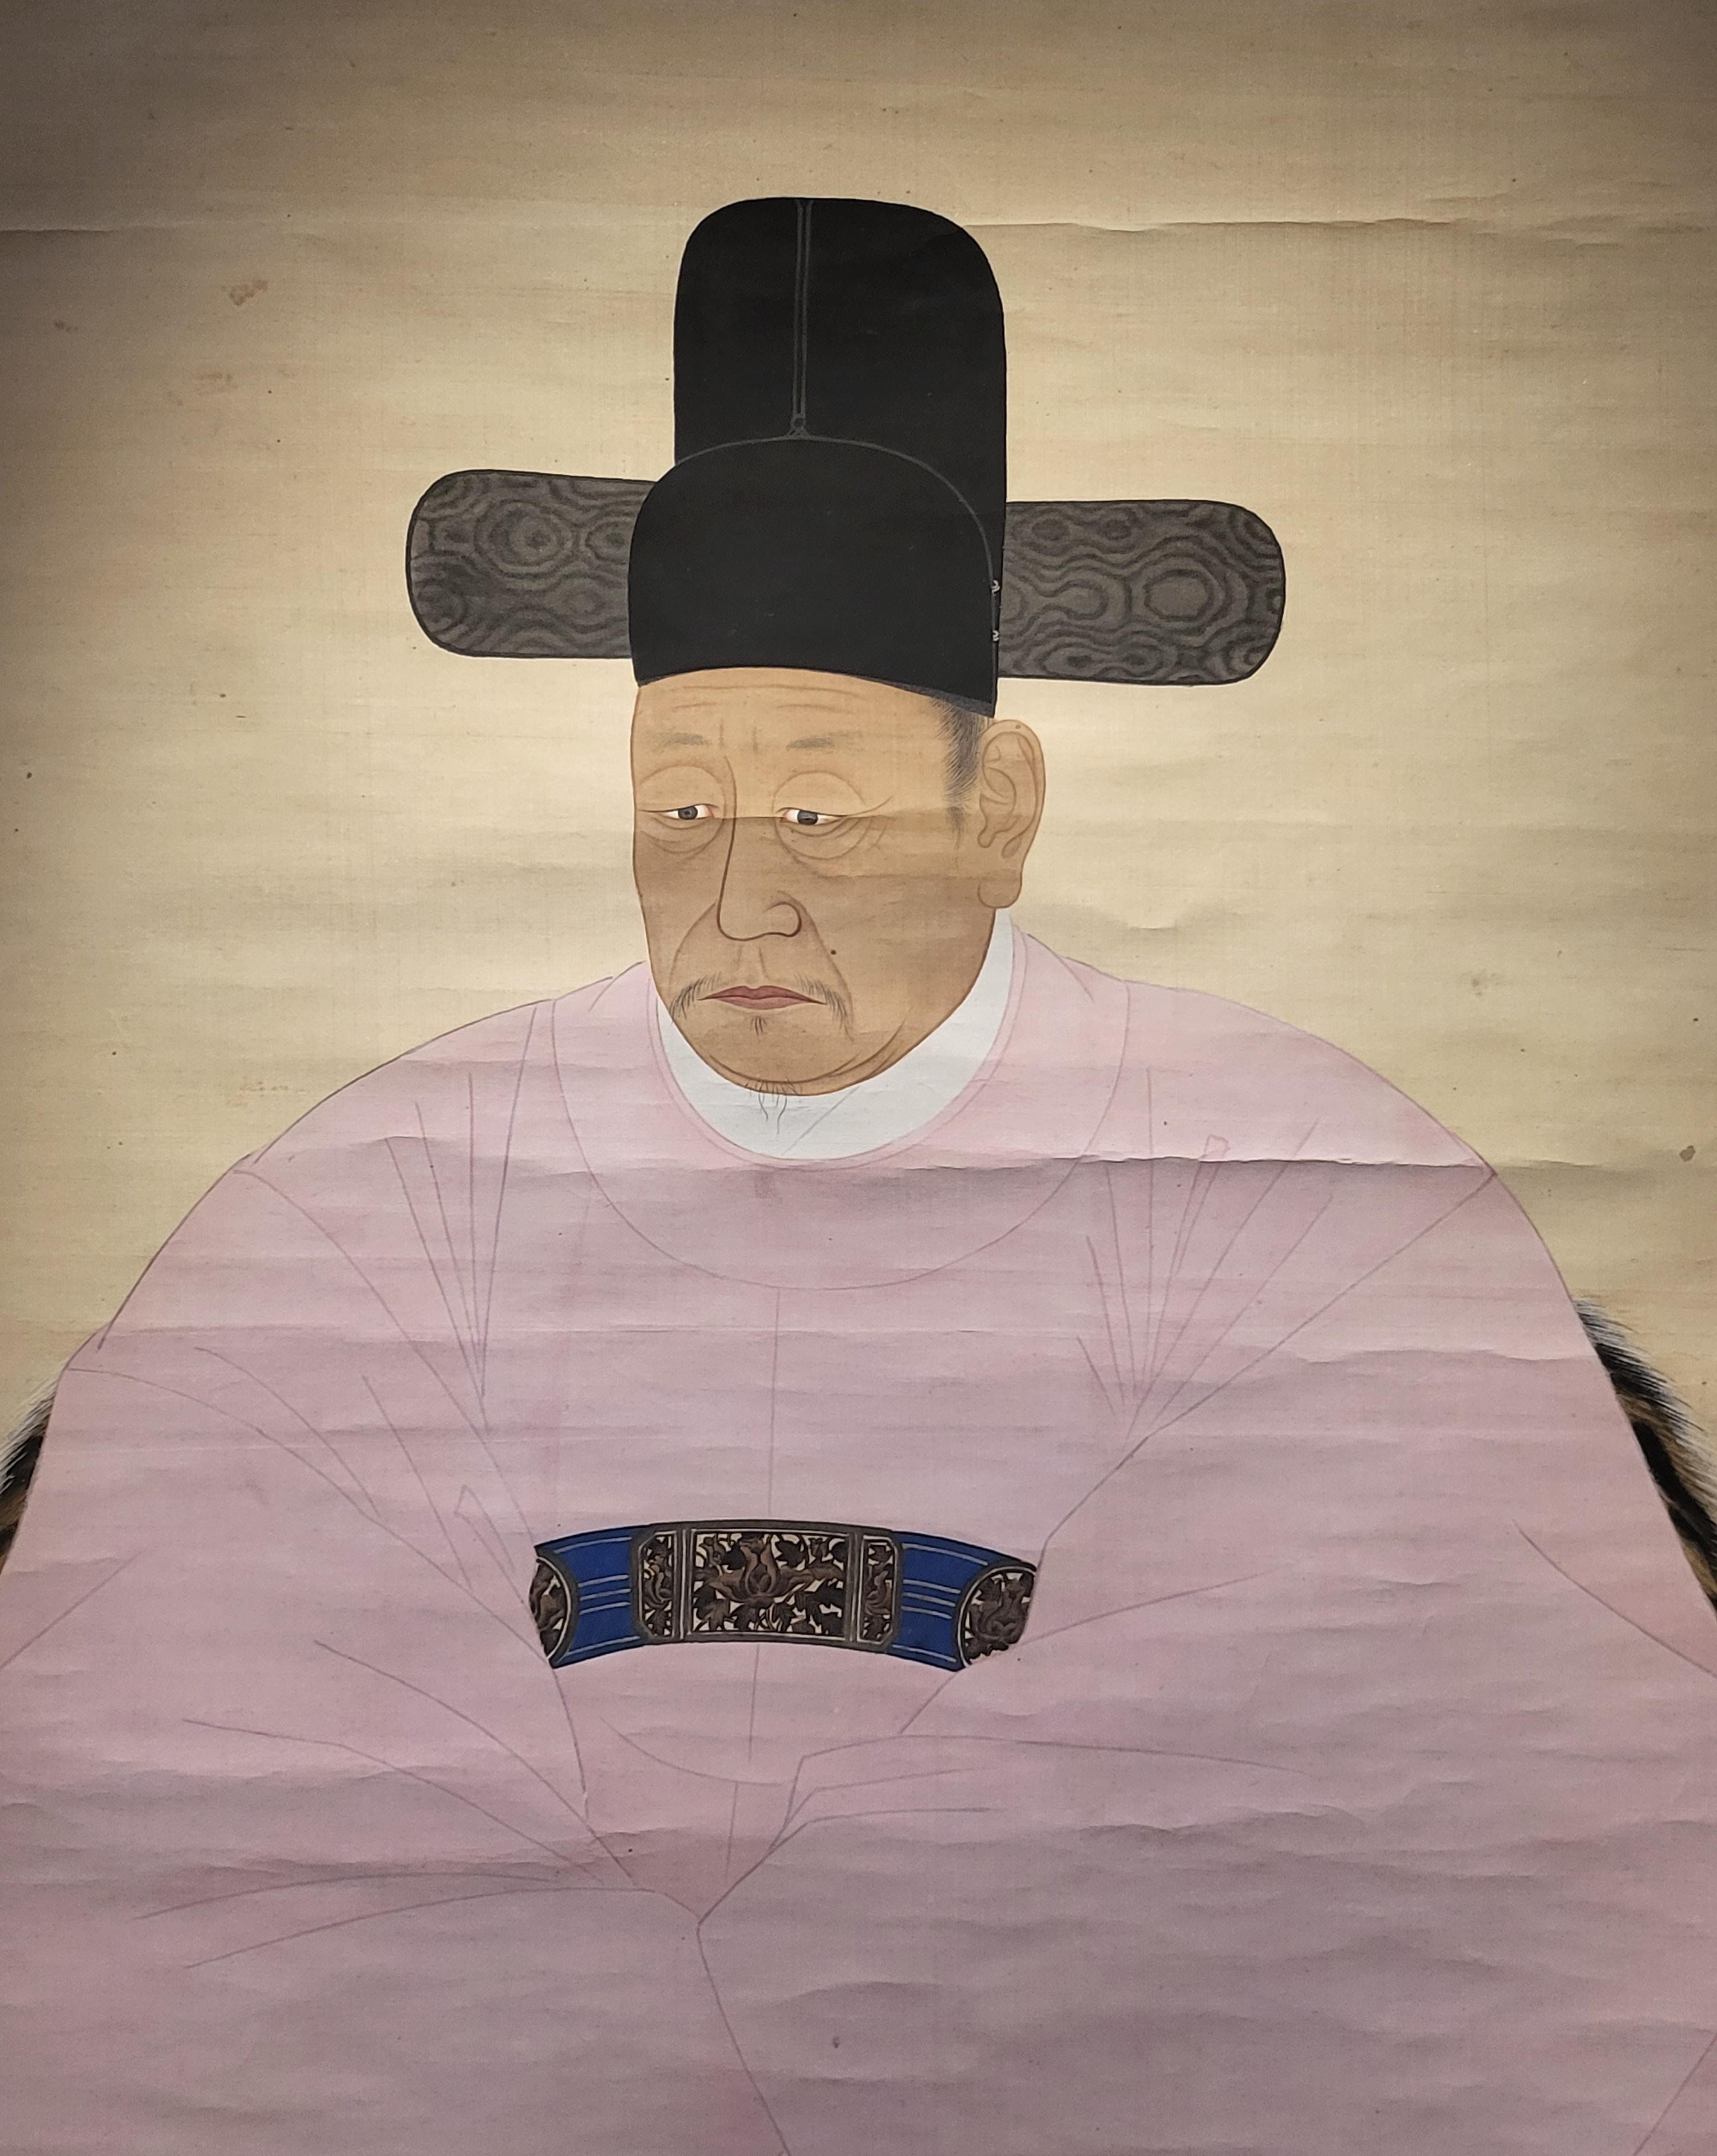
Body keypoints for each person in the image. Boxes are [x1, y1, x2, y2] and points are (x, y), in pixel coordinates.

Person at [3, 200, 1716, 2156]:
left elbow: (1455, 1755)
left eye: (824, 810)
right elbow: (174, 1729)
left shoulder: (1308, 1192)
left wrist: (842, 1975)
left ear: (1003, 811)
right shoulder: (378, 1198)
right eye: (684, 808)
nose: (743, 895)